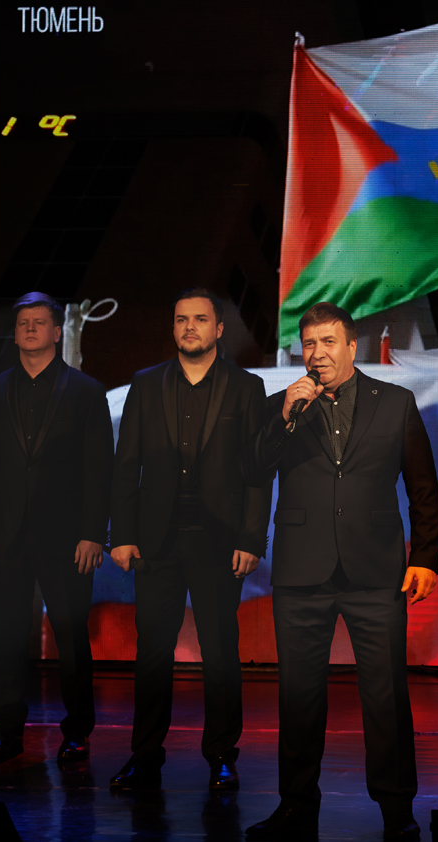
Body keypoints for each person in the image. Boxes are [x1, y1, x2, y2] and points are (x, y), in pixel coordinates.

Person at [242, 303, 438, 842]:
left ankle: (397, 808)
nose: (318, 353)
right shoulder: (282, 405)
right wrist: (286, 415)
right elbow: (253, 470)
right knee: (299, 697)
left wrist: (425, 556)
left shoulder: (395, 403)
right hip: (301, 572)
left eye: (329, 342)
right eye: (309, 343)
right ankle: (295, 805)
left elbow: (423, 488)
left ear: (352, 347)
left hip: (375, 571)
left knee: (386, 697)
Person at [108, 288, 271, 791]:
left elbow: (257, 471)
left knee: (220, 652)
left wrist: (251, 538)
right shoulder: (145, 384)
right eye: (181, 319)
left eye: (200, 319)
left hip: (219, 541)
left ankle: (221, 754)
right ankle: (144, 755)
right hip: (155, 542)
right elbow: (126, 465)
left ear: (218, 329)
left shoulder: (247, 387)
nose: (189, 327)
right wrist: (122, 534)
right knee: (152, 653)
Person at [0, 292, 113, 768]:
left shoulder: (86, 391)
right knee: (6, 638)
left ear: (56, 331)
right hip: (3, 534)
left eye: (39, 321)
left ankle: (77, 732)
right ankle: (6, 732)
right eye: (23, 322)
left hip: (67, 537)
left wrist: (93, 532)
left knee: (70, 636)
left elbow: (99, 469)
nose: (29, 328)